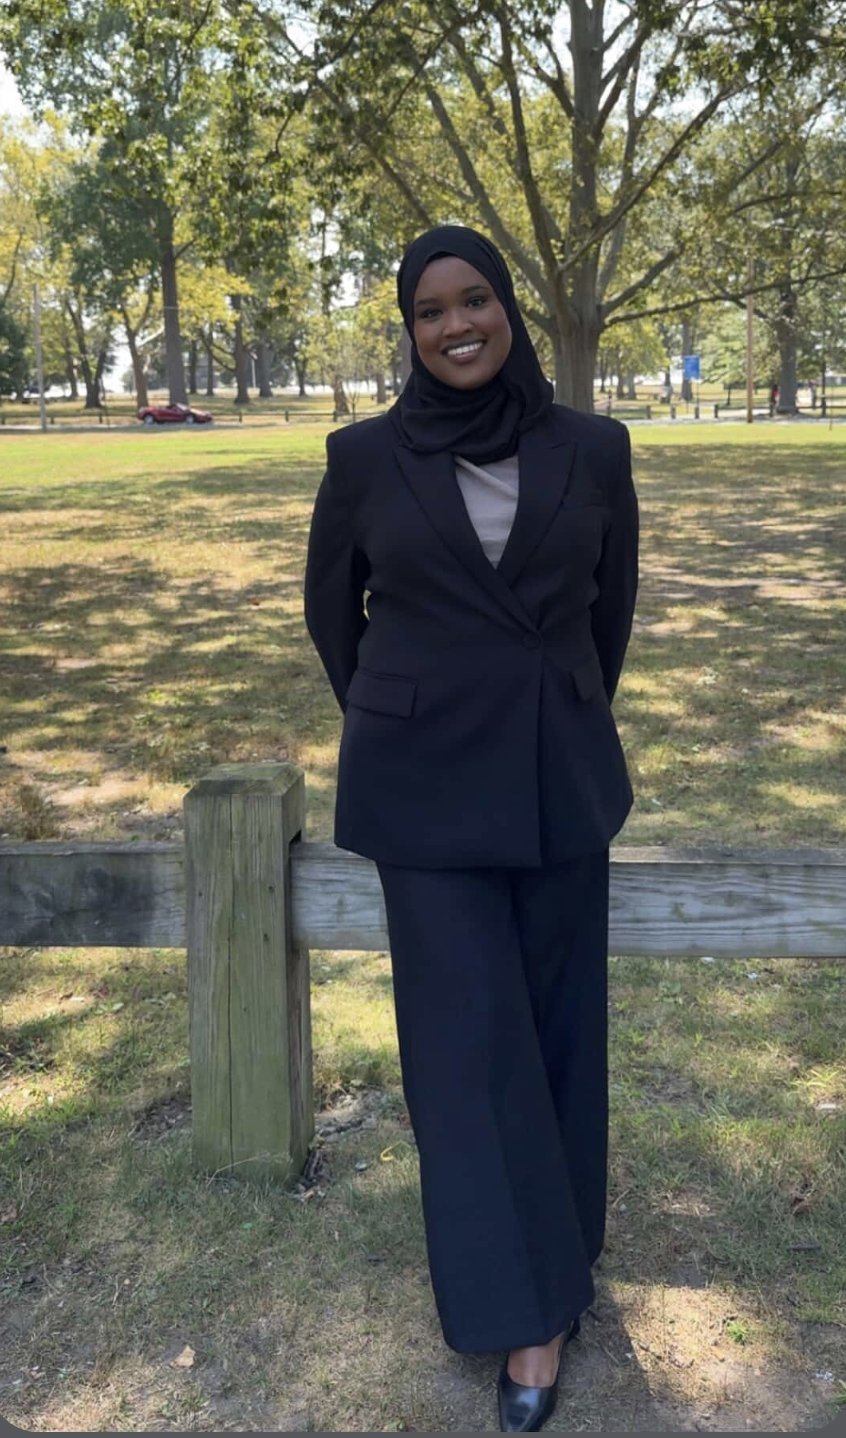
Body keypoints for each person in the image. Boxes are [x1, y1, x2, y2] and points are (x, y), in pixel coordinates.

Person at [303, 224, 639, 1432]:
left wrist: (542, 711)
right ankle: (528, 1318)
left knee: (558, 1035)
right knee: (467, 1050)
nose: (457, 324)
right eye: (431, 309)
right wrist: (414, 713)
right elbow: (334, 619)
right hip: (422, 793)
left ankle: (566, 1262)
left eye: (476, 300)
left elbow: (611, 617)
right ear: (408, 329)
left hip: (559, 780)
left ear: (508, 310)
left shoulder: (592, 449)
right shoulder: (360, 457)